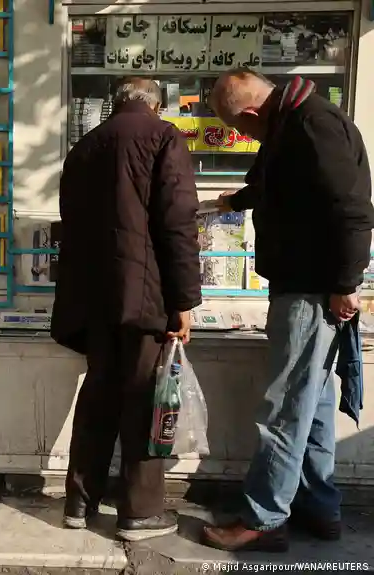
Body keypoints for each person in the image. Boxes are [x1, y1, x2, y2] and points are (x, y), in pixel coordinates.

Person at [202, 69, 374, 552]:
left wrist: (345, 284)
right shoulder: (290, 123)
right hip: (307, 287)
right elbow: (278, 184)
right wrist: (233, 201)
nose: (243, 136)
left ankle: (265, 517)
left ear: (251, 113)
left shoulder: (312, 125)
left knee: (283, 408)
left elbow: (352, 209)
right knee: (310, 405)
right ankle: (320, 507)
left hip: (312, 290)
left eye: (239, 127)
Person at [50, 77, 202, 542]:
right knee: (145, 400)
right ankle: (139, 513)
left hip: (95, 299)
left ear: (116, 104)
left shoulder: (84, 147)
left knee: (98, 396)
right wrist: (184, 301)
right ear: (156, 104)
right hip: (147, 298)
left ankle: (79, 502)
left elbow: (71, 224)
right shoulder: (164, 136)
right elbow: (178, 222)